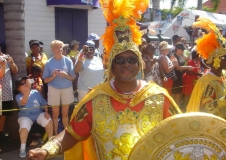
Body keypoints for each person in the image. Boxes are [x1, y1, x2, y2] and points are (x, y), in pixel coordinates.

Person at [27, 0, 181, 159]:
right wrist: (47, 149)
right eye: (120, 60)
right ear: (111, 67)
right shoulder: (95, 99)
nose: (126, 64)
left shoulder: (159, 98)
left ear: (140, 64)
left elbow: (181, 135)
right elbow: (72, 133)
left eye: (132, 60)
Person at [186, 18, 226, 124]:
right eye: (225, 58)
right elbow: (204, 110)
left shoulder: (225, 75)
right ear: (216, 60)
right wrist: (225, 100)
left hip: (225, 125)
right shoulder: (208, 82)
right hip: (212, 130)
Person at [42, 40, 75, 135]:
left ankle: (65, 135)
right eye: (57, 47)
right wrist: (53, 76)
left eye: (61, 47)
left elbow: (72, 77)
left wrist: (65, 75)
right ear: (52, 49)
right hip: (54, 89)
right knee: (55, 115)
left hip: (66, 88)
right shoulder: (49, 63)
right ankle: (56, 135)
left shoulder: (68, 61)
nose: (59, 49)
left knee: (65, 114)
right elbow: (45, 80)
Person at [15, 77, 53, 158]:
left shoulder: (35, 92)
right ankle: (22, 148)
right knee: (24, 124)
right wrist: (28, 88)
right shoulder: (18, 96)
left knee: (48, 120)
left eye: (26, 82)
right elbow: (23, 102)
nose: (25, 84)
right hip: (25, 116)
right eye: (22, 83)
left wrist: (46, 112)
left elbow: (44, 103)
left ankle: (50, 144)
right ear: (18, 88)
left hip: (38, 114)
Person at [0, 44, 18, 152]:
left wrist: (11, 62)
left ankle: (1, 134)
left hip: (7, 92)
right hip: (0, 92)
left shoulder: (6, 57)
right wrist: (3, 64)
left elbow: (15, 71)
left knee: (4, 114)